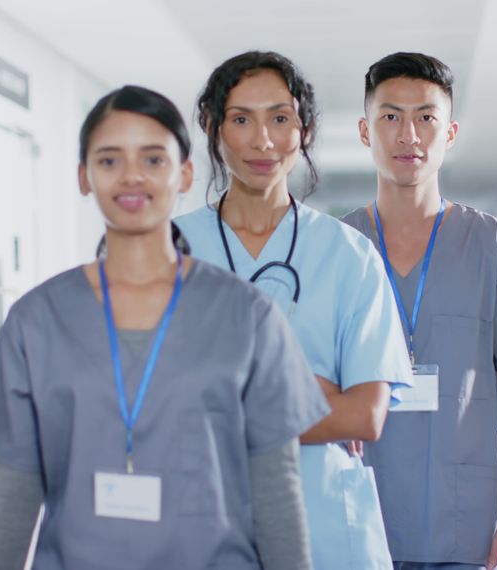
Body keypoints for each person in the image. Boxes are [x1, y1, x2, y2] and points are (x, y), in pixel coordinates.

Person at [0, 85, 329, 570]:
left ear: (185, 173)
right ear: (83, 177)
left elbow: (277, 491)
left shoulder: (248, 316)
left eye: (154, 160)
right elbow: (13, 492)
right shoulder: (36, 321)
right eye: (109, 161)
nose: (132, 175)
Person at [175, 51, 413, 570]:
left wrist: (227, 397)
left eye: (280, 118)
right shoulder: (173, 252)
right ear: (213, 129)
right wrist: (312, 395)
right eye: (241, 119)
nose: (263, 140)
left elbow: (365, 415)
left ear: (303, 130)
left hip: (325, 528)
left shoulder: (349, 255)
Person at [340, 52, 497, 570]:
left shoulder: (492, 244)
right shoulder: (338, 248)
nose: (408, 135)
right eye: (391, 117)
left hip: (466, 522)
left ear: (450, 133)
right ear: (364, 130)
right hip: (359, 514)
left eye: (426, 118)